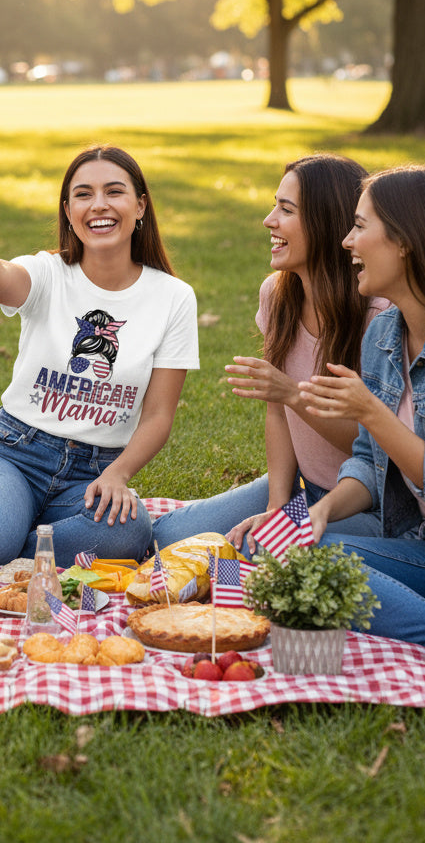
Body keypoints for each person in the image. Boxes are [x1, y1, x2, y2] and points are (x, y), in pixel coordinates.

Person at [0, 144, 199, 568]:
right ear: (68, 211)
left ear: (140, 205)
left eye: (114, 192)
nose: (99, 205)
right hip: (14, 452)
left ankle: (13, 540)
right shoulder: (48, 273)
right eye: (83, 194)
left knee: (129, 532)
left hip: (93, 473)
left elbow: (159, 415)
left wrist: (118, 474)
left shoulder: (174, 298)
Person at [150, 154, 386, 552]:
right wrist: (278, 506)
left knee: (251, 553)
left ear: (326, 223)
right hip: (301, 489)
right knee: (167, 538)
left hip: (370, 504)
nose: (269, 220)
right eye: (275, 205)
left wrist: (292, 393)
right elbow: (278, 412)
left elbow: (378, 448)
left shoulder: (379, 316)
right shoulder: (277, 295)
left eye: (286, 209)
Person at [298, 165, 425, 646]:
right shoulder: (383, 336)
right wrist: (323, 511)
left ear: (405, 241)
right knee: (292, 553)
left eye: (360, 226)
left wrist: (372, 413)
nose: (347, 241)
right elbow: (369, 461)